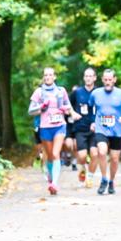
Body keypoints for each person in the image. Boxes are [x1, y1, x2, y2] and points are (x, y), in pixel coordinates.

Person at [88, 69, 121, 195]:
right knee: (102, 152)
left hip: (116, 131)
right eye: (105, 80)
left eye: (110, 79)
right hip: (101, 129)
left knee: (114, 159)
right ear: (102, 80)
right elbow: (90, 107)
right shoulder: (95, 93)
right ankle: (104, 178)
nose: (108, 82)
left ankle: (111, 181)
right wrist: (93, 121)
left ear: (114, 80)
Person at [28, 67, 73, 195]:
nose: (48, 77)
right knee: (49, 156)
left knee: (55, 153)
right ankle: (51, 177)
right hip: (45, 127)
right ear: (43, 77)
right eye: (46, 75)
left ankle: (55, 184)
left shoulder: (61, 91)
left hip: (59, 126)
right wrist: (41, 107)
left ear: (54, 77)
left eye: (50, 75)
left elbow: (69, 107)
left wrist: (64, 109)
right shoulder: (39, 92)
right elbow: (30, 111)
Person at [69, 69, 99, 187]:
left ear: (95, 78)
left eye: (90, 76)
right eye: (86, 76)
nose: (88, 78)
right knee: (82, 156)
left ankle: (90, 178)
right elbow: (67, 104)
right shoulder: (77, 92)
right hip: (80, 128)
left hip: (96, 129)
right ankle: (82, 170)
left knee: (94, 154)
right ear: (83, 78)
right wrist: (72, 113)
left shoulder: (99, 92)